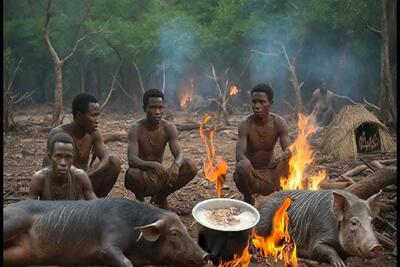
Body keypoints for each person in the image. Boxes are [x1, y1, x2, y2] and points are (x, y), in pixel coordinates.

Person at [125, 88, 197, 209]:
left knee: (190, 165)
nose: (157, 111)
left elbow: (179, 153)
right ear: (144, 109)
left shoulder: (168, 127)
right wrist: (153, 165)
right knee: (133, 173)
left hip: (161, 176)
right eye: (153, 107)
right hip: (143, 176)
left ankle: (160, 197)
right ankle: (140, 201)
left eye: (160, 107)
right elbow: (132, 160)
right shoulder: (136, 129)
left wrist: (176, 165)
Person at [43, 93, 121, 197]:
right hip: (63, 186)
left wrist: (88, 174)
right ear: (79, 115)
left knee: (114, 161)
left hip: (83, 184)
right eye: (93, 115)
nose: (97, 120)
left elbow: (106, 157)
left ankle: (97, 204)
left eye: (98, 115)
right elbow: (47, 169)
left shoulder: (94, 134)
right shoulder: (59, 134)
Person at [233, 83, 292, 205]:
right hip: (251, 177)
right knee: (242, 165)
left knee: (291, 157)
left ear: (270, 103)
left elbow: (288, 149)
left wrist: (290, 153)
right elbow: (239, 154)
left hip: (272, 175)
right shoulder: (245, 124)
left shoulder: (279, 123)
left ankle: (281, 195)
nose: (257, 106)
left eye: (262, 102)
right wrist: (248, 165)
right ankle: (249, 199)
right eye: (254, 102)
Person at [30, 132, 97, 200]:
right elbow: (29, 208)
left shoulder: (79, 176)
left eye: (68, 157)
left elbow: (95, 204)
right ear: (50, 157)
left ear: (72, 158)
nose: (63, 163)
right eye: (58, 156)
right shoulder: (40, 178)